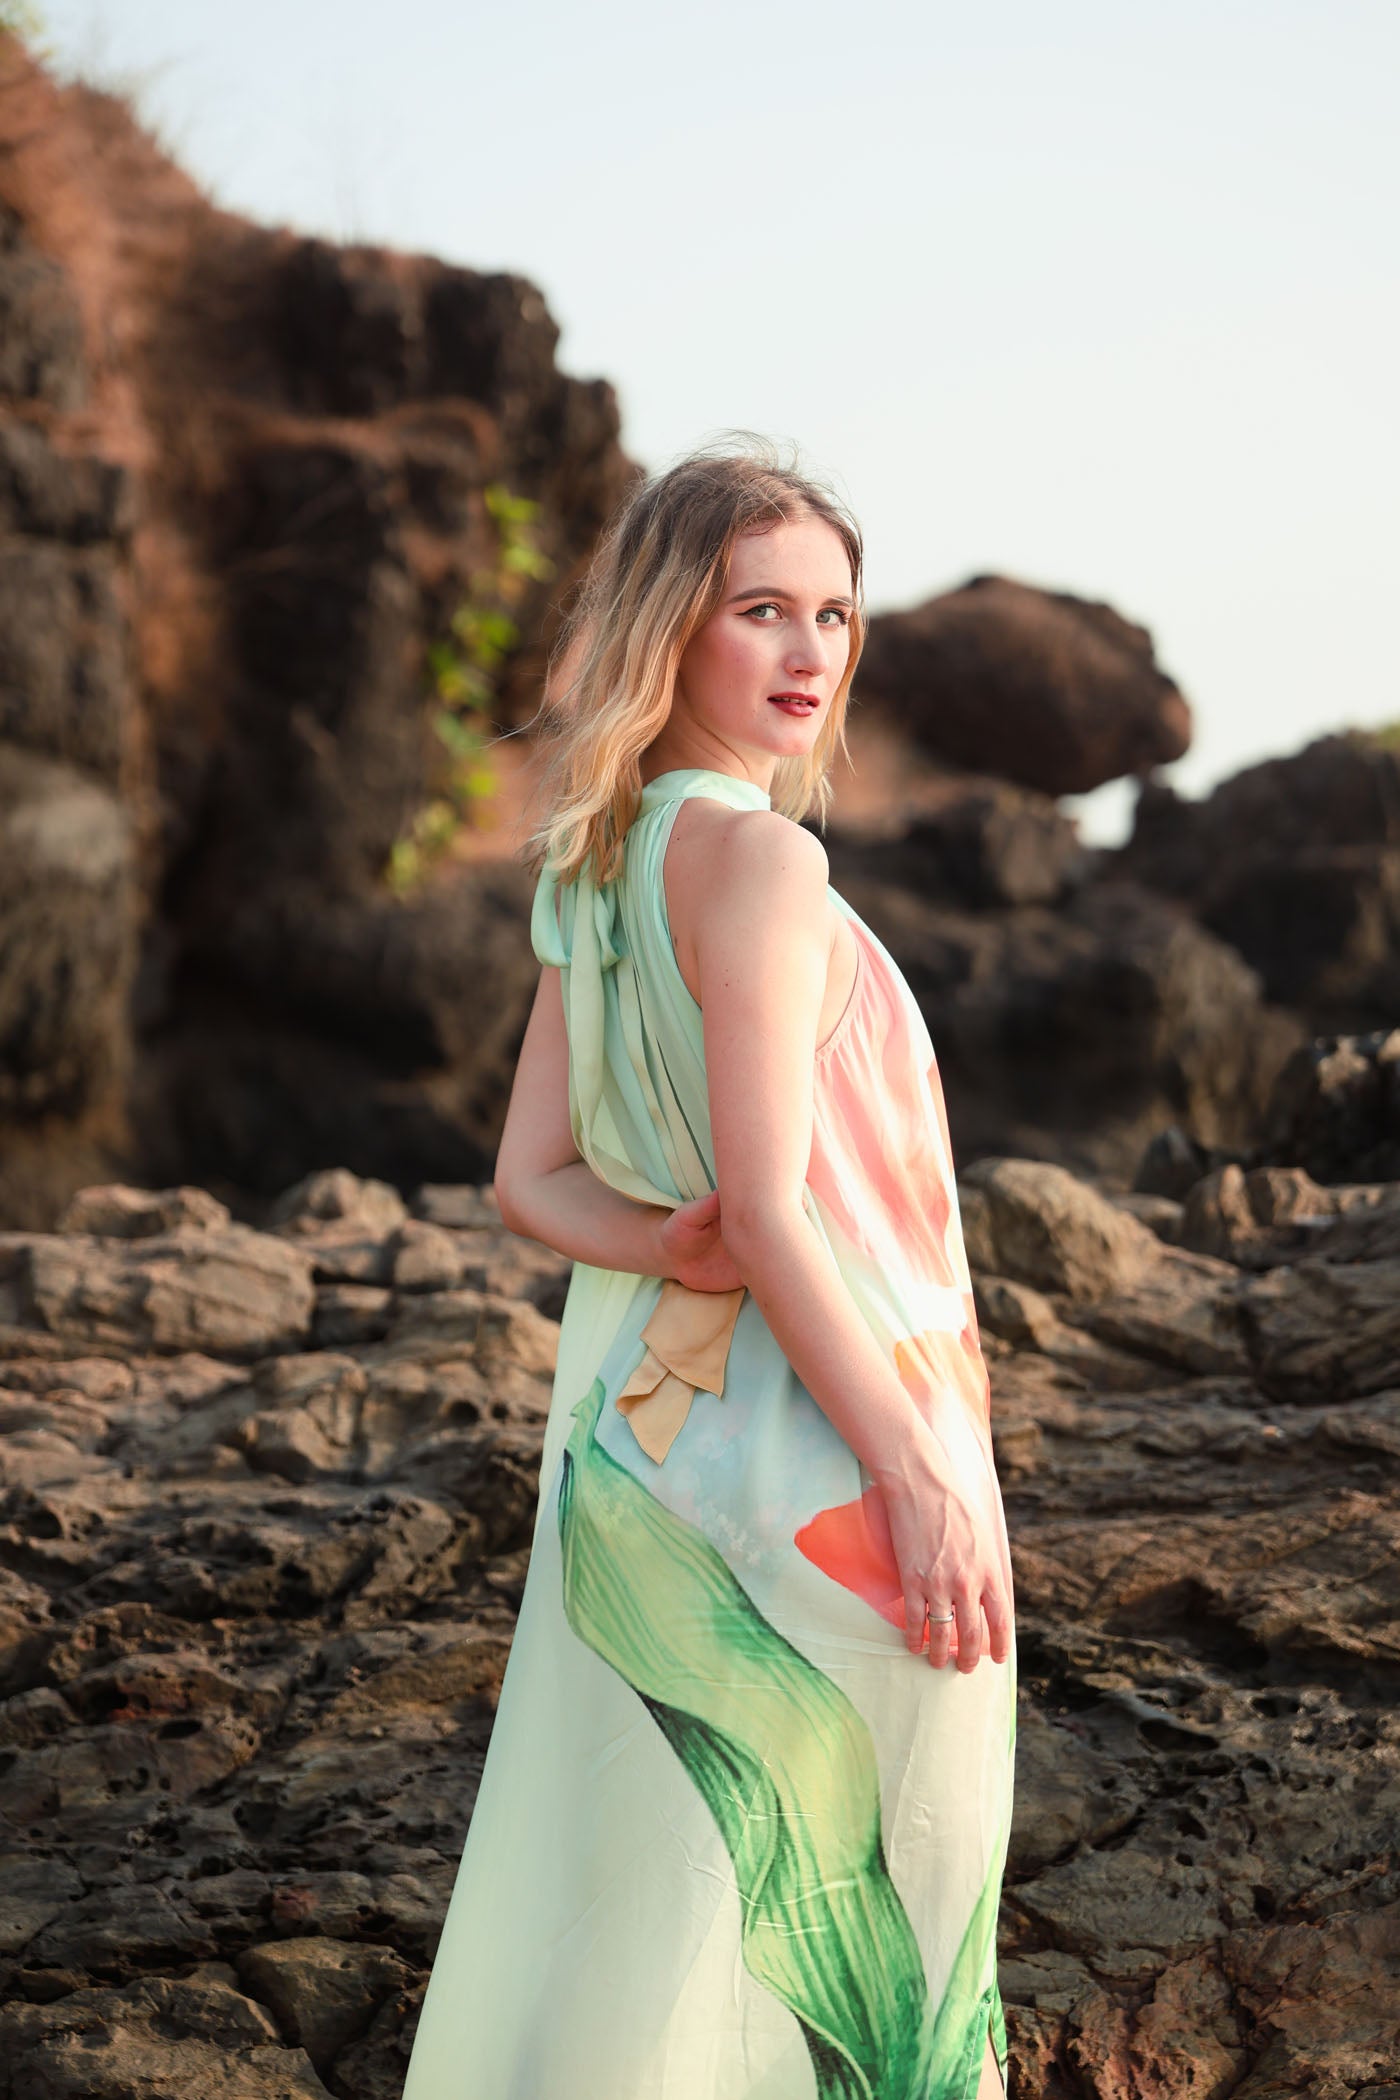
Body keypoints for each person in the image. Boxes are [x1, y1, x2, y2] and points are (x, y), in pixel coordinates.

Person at [401, 437, 1017, 2100]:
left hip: (651, 1464)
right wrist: (918, 1475)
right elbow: (774, 1208)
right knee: (870, 1960)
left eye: (835, 614)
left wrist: (659, 1239)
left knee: (656, 1933)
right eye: (763, 611)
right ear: (674, 625)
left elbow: (531, 1180)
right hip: (819, 1458)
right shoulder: (762, 859)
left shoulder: (596, 862)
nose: (811, 652)